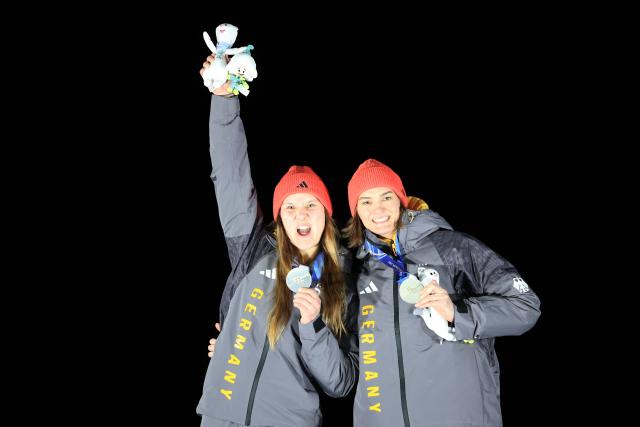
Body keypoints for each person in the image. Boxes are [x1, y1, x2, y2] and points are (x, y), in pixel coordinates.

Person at [195, 54, 358, 427]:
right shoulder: (253, 249)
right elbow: (230, 173)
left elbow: (341, 383)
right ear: (280, 218)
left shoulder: (345, 280)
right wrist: (224, 98)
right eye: (290, 206)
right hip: (220, 414)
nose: (301, 214)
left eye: (311, 205)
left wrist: (314, 325)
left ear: (327, 214)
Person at [343, 158, 541, 427]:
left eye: (386, 197)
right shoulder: (356, 268)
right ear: (356, 210)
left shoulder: (453, 247)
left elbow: (526, 306)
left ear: (401, 199)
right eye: (365, 201)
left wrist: (459, 314)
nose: (377, 208)